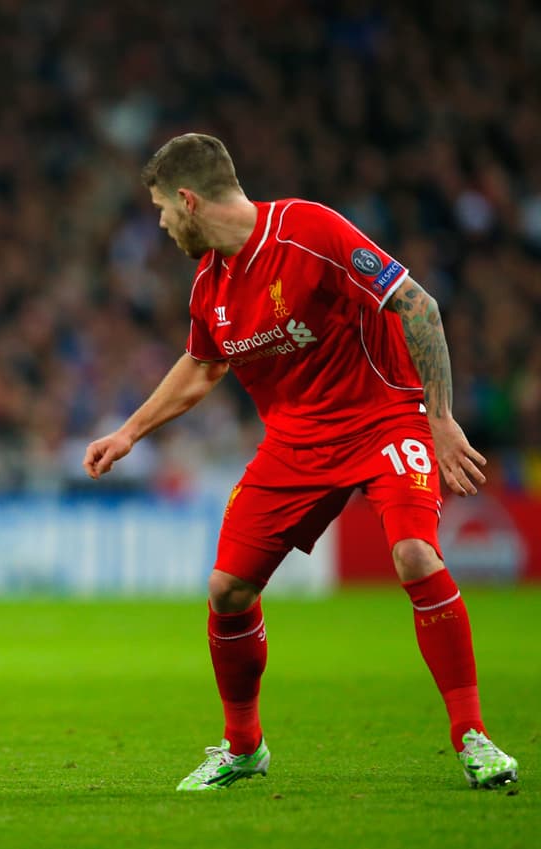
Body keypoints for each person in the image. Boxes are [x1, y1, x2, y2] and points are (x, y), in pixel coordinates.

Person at [83, 134, 518, 791]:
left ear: (188, 200)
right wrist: (129, 432)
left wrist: (440, 417)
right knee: (227, 590)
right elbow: (203, 366)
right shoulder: (211, 286)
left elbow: (417, 305)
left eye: (162, 209)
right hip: (295, 443)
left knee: (414, 554)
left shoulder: (309, 230)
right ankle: (243, 747)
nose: (163, 224)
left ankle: (473, 736)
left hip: (383, 418)